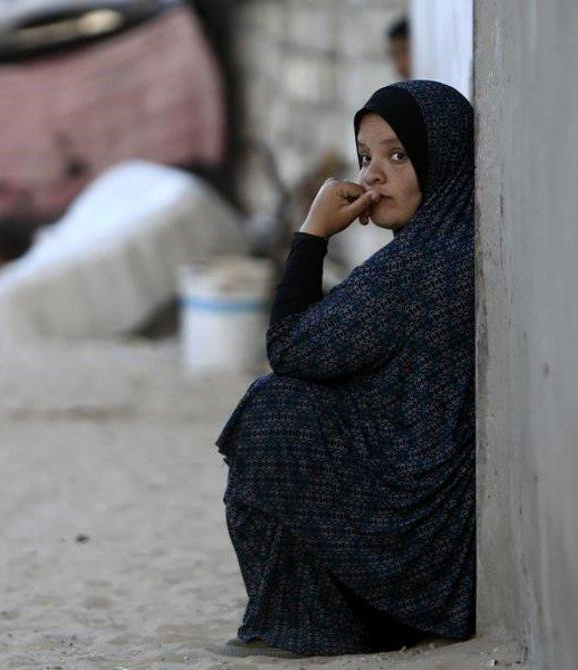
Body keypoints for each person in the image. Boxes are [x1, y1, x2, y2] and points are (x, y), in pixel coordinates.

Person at [214, 80, 475, 658]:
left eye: (397, 156)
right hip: (432, 530)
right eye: (365, 158)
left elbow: (290, 346)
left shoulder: (420, 266)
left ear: (445, 158)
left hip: (419, 544)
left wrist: (310, 235)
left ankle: (320, 624)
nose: (373, 176)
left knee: (275, 410)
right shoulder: (446, 244)